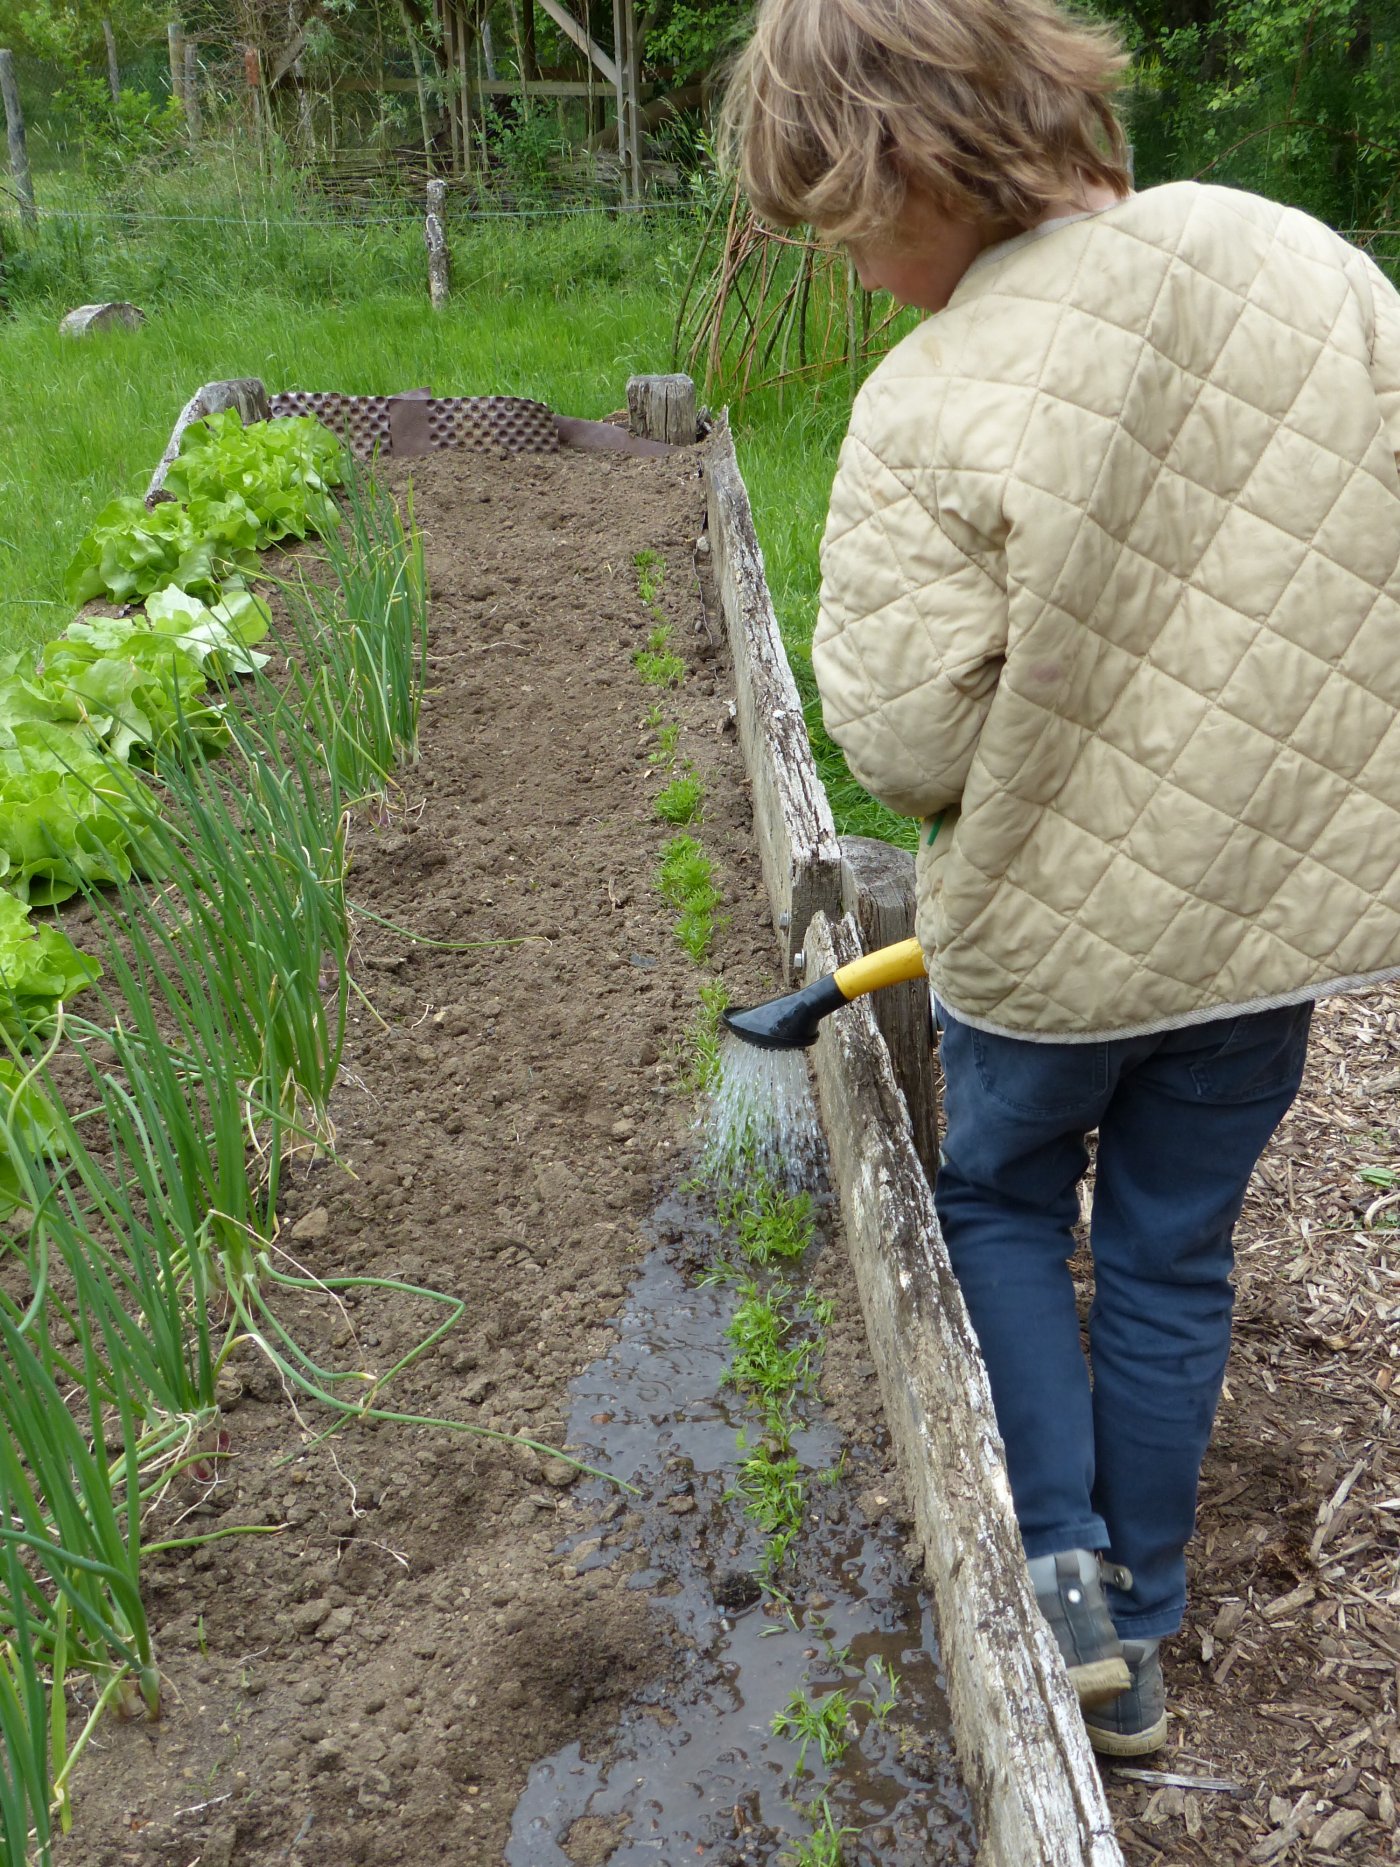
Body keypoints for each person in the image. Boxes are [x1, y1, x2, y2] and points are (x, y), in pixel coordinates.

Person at [722, 0, 1400, 1758]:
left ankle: (1066, 1583)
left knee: (1007, 1208)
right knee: (1176, 1253)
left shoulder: (935, 392)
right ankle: (1148, 1626)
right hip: (1271, 933)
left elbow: (904, 742)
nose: (868, 277)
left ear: (917, 164)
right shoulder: (1310, 267)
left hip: (1047, 951)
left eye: (860, 231)